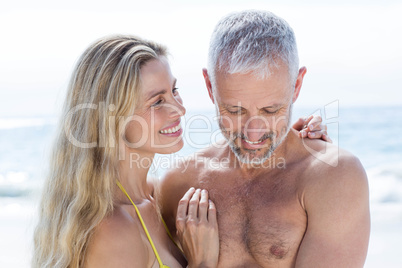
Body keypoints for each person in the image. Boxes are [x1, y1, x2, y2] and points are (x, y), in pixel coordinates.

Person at [32, 35, 329, 267]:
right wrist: (200, 263)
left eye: (174, 91)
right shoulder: (112, 231)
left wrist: (288, 142)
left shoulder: (153, 196)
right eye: (157, 101)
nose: (180, 108)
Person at [160, 10, 370, 267]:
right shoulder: (178, 184)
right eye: (235, 111)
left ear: (297, 85)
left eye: (271, 110)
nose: (253, 134)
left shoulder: (331, 177)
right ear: (210, 87)